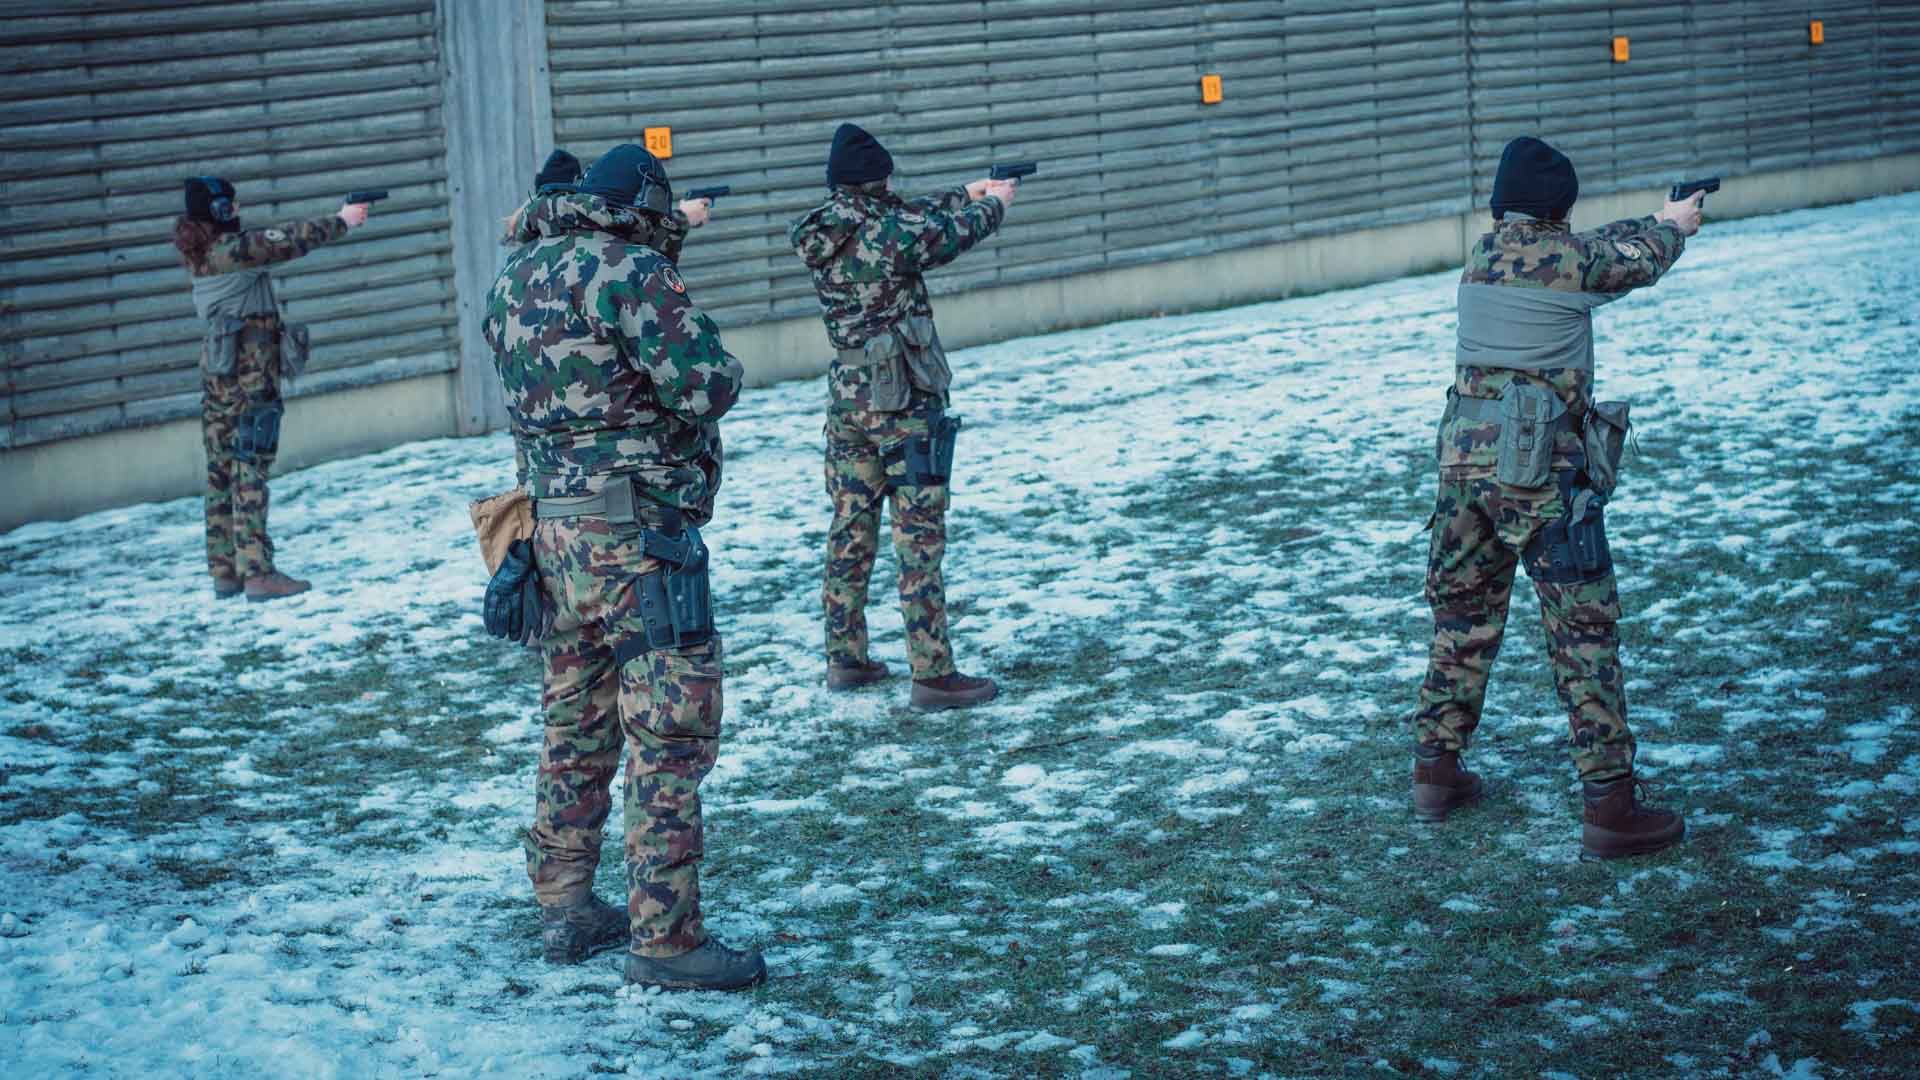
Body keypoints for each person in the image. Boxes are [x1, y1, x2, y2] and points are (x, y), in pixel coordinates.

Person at [483, 143, 762, 991]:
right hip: (638, 539)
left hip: (552, 537)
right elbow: (707, 385)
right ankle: (666, 941)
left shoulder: (515, 275)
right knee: (668, 735)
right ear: (645, 207)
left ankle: (565, 905)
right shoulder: (633, 270)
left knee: (574, 724)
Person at [1408, 136, 1705, 859]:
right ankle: (1611, 807)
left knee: (1462, 619)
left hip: (1462, 471)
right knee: (1583, 633)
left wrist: (1651, 216)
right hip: (1542, 476)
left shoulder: (1483, 256)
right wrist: (1674, 228)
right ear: (1559, 206)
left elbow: (1588, 247)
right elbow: (1635, 261)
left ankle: (1435, 772)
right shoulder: (1575, 263)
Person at [789, 123, 1015, 710]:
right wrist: (992, 206)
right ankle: (933, 674)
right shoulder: (888, 234)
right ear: (876, 180)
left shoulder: (831, 227)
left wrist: (965, 191)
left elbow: (910, 216)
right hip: (903, 400)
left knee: (850, 528)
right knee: (918, 536)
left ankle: (846, 658)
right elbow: (943, 235)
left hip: (849, 398)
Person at [172, 178, 370, 601]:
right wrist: (342, 220)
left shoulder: (204, 252)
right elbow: (287, 240)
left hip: (219, 379)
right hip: (250, 381)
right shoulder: (232, 251)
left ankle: (225, 570)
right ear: (219, 210)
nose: (238, 209)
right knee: (250, 470)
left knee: (221, 471)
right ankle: (258, 573)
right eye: (231, 204)